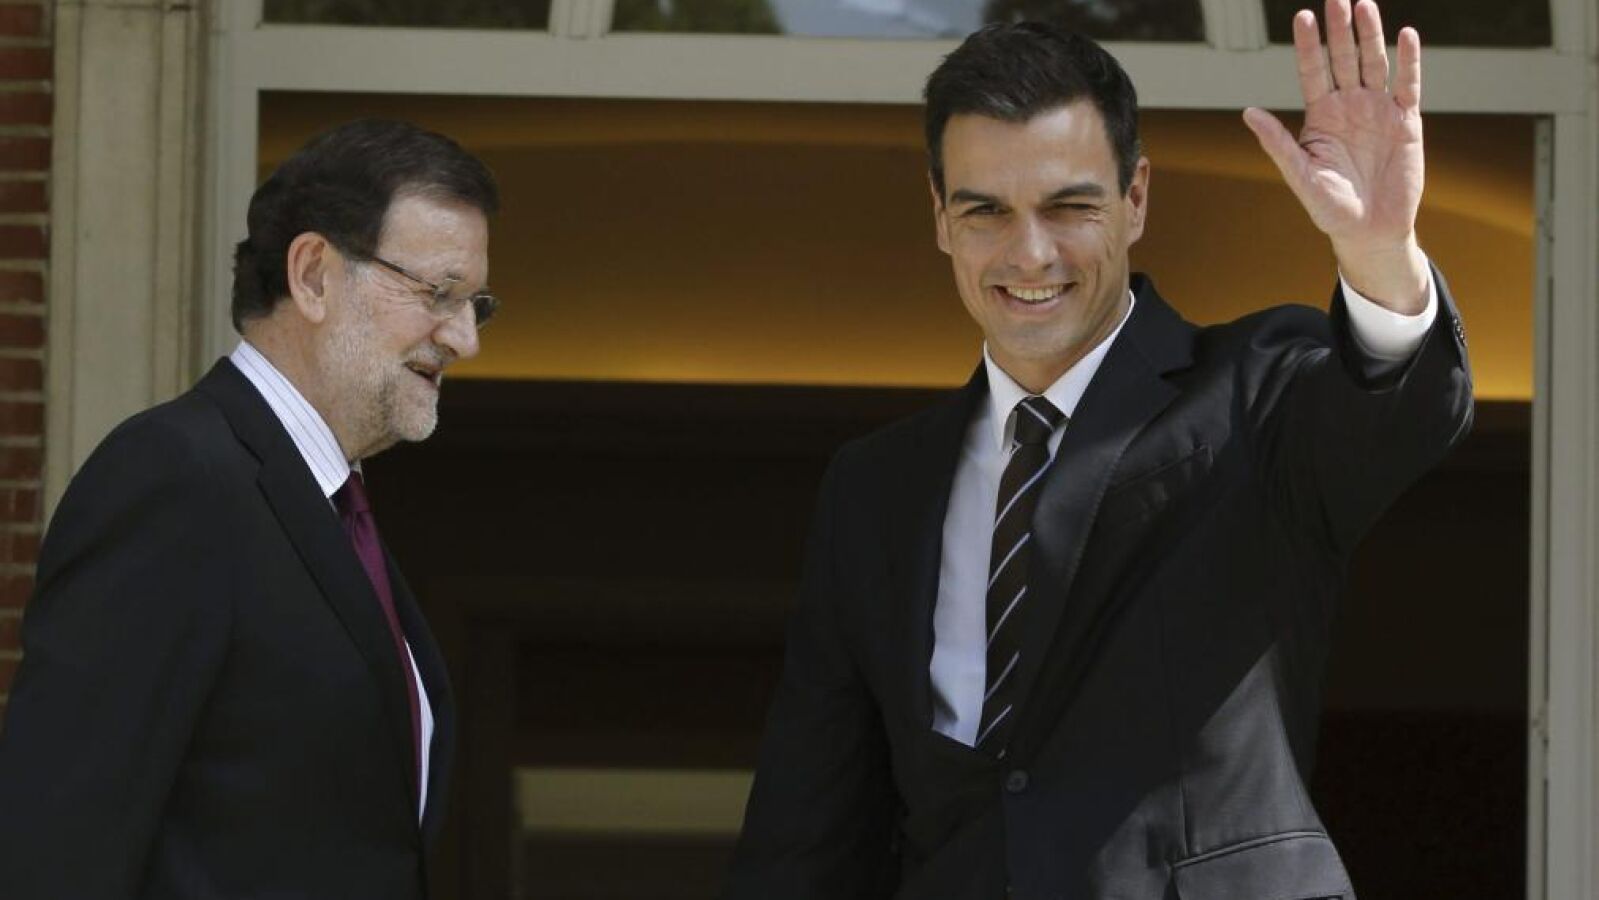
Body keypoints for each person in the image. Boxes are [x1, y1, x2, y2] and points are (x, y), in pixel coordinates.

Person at [726, 1, 1471, 897]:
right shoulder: (875, 488)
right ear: (939, 218)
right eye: (985, 211)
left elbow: (1395, 413)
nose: (1029, 254)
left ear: (1135, 198)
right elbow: (808, 826)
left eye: (1069, 206)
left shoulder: (1253, 394)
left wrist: (1380, 255)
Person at [0, 119, 498, 898]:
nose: (464, 339)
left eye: (476, 305)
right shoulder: (176, 479)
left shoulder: (331, 507)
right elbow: (56, 843)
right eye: (439, 293)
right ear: (313, 276)